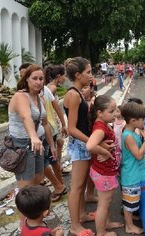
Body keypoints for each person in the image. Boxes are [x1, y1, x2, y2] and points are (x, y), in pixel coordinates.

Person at [9, 64, 56, 227]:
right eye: (34, 78)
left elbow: (46, 124)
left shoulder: (40, 98)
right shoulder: (20, 97)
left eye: (41, 78)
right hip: (23, 144)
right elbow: (25, 117)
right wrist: (33, 136)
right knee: (25, 190)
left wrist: (51, 144)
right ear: (26, 79)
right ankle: (24, 225)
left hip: (38, 143)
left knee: (38, 180)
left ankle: (35, 217)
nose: (38, 82)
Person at [63, 57, 95, 236]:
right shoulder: (73, 94)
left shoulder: (77, 92)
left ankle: (81, 215)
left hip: (83, 143)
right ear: (78, 74)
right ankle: (75, 226)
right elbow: (72, 128)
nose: (91, 75)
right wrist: (91, 142)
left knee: (81, 184)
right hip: (81, 144)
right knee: (76, 187)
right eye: (88, 72)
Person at [86, 95, 124, 236]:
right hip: (104, 173)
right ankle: (101, 232)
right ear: (99, 113)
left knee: (106, 202)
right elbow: (90, 145)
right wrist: (106, 153)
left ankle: (106, 223)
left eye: (115, 110)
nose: (115, 114)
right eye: (111, 111)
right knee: (103, 204)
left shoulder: (102, 124)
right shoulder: (100, 128)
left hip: (104, 171)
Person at [120, 102, 145, 235]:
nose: (144, 122)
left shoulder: (131, 131)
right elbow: (138, 155)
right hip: (130, 175)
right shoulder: (129, 136)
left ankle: (131, 218)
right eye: (142, 119)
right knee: (128, 203)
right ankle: (129, 226)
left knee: (131, 200)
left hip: (133, 173)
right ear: (133, 120)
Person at [43, 65, 68, 202]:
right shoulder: (51, 88)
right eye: (64, 75)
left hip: (50, 124)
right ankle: (59, 182)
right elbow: (53, 108)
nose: (65, 78)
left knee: (50, 157)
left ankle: (59, 184)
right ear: (58, 76)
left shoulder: (48, 88)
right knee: (51, 156)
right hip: (51, 123)